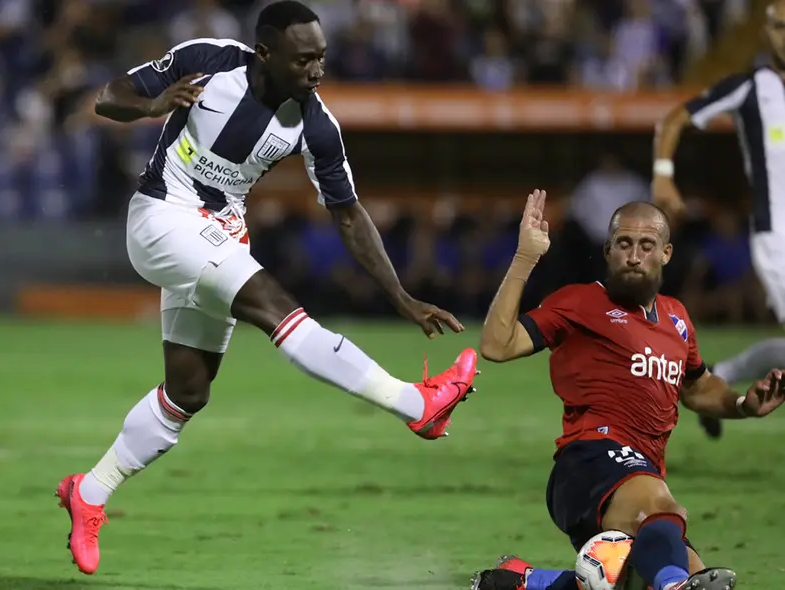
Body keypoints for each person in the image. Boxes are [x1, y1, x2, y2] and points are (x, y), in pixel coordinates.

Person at [55, 0, 479, 576]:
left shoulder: (317, 123)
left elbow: (349, 214)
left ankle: (91, 492)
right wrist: (154, 105)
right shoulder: (207, 61)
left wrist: (400, 295)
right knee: (280, 310)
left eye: (322, 58)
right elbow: (107, 96)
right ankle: (418, 404)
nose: (316, 70)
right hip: (160, 218)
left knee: (187, 393)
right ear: (266, 53)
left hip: (218, 233)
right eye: (304, 59)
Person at [470, 193, 783, 590]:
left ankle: (522, 582)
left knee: (648, 577)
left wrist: (743, 405)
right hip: (588, 462)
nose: (634, 255)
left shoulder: (677, 317)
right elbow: (497, 344)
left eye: (646, 245)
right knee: (664, 520)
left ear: (666, 253)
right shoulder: (580, 302)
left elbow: (698, 386)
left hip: (639, 476)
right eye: (624, 244)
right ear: (608, 250)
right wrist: (524, 258)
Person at [653, 0, 785, 440]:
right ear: (767, 32)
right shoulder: (752, 87)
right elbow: (675, 119)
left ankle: (719, 376)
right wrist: (664, 176)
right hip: (777, 237)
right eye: (779, 27)